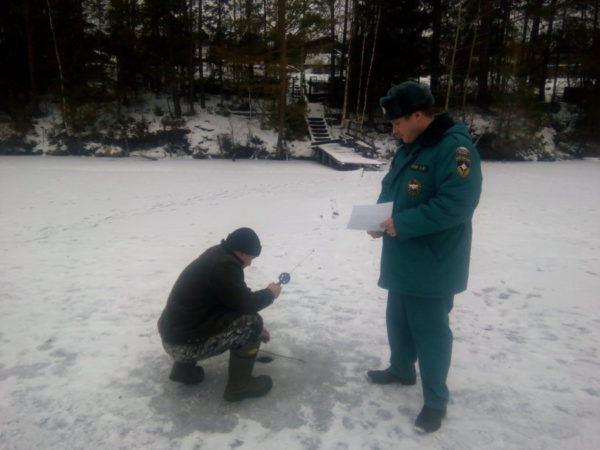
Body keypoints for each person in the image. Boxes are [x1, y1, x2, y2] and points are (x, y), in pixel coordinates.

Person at [366, 81, 482, 433]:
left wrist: (403, 223)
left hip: (433, 262)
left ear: (418, 115)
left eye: (397, 122)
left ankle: (435, 401)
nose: (394, 130)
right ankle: (401, 370)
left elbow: (457, 204)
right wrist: (378, 219)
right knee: (397, 320)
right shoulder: (411, 147)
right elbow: (392, 189)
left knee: (430, 333)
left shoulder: (455, 149)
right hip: (402, 254)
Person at [157, 227, 282, 402]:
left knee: (206, 318)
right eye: (251, 258)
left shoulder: (216, 254)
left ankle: (183, 370)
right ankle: (240, 387)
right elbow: (246, 304)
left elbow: (230, 301)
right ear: (242, 253)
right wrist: (270, 293)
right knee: (252, 323)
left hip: (172, 338)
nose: (250, 264)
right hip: (185, 345)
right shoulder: (225, 266)